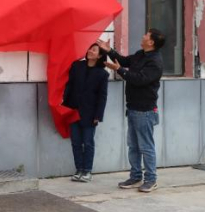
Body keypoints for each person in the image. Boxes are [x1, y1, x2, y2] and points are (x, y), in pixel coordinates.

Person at [98, 29, 165, 193]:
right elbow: (124, 60)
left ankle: (151, 179)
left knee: (146, 147)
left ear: (151, 42)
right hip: (133, 108)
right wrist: (109, 51)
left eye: (146, 35)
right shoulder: (140, 54)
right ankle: (135, 176)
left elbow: (139, 80)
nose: (143, 36)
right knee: (133, 146)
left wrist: (119, 70)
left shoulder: (155, 62)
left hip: (145, 110)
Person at [62, 43, 109, 182]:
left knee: (88, 142)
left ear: (99, 56)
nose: (90, 51)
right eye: (89, 49)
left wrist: (98, 115)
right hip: (73, 110)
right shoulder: (77, 66)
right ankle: (79, 169)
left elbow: (102, 96)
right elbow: (69, 86)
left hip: (90, 113)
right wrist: (65, 106)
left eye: (94, 50)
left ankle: (87, 171)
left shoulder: (102, 74)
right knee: (76, 142)